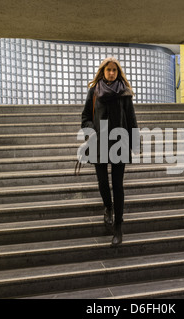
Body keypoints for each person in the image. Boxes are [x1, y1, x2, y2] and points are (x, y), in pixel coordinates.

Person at [81, 57, 139, 246]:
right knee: (103, 183)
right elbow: (85, 118)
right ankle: (108, 207)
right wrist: (92, 130)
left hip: (119, 143)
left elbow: (131, 119)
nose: (112, 73)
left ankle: (118, 227)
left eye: (115, 70)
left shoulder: (124, 93)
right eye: (108, 70)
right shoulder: (94, 91)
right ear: (103, 71)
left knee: (118, 186)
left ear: (118, 72)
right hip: (99, 144)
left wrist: (135, 143)